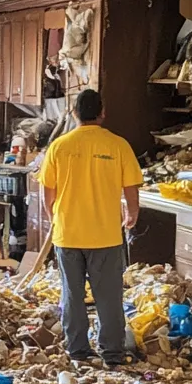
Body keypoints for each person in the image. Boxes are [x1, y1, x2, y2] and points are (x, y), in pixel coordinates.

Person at [38, 88, 142, 367]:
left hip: (68, 234)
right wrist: (132, 213)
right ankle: (112, 354)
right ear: (102, 112)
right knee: (109, 298)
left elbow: (47, 192)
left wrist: (54, 217)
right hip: (106, 235)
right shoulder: (118, 145)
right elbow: (130, 187)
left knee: (72, 295)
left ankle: (78, 352)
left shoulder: (59, 146)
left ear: (74, 114)